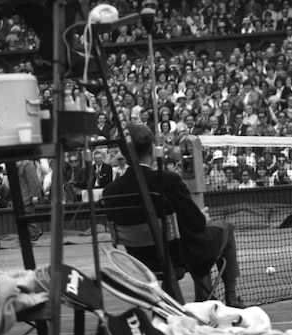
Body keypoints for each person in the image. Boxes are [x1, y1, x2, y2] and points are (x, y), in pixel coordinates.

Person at [102, 123, 242, 306]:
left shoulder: (110, 192)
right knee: (225, 228)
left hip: (140, 262)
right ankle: (230, 299)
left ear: (123, 153)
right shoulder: (167, 180)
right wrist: (201, 217)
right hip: (181, 257)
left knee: (184, 236)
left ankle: (200, 298)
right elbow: (197, 224)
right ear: (152, 149)